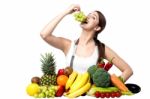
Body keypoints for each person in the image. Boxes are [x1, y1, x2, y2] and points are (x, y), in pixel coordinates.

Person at [40, 4, 133, 82]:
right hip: (70, 95)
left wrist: (113, 86)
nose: (87, 16)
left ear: (97, 28)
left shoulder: (101, 49)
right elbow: (44, 34)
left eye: (93, 17)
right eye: (88, 14)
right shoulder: (68, 45)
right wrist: (66, 11)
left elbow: (128, 70)